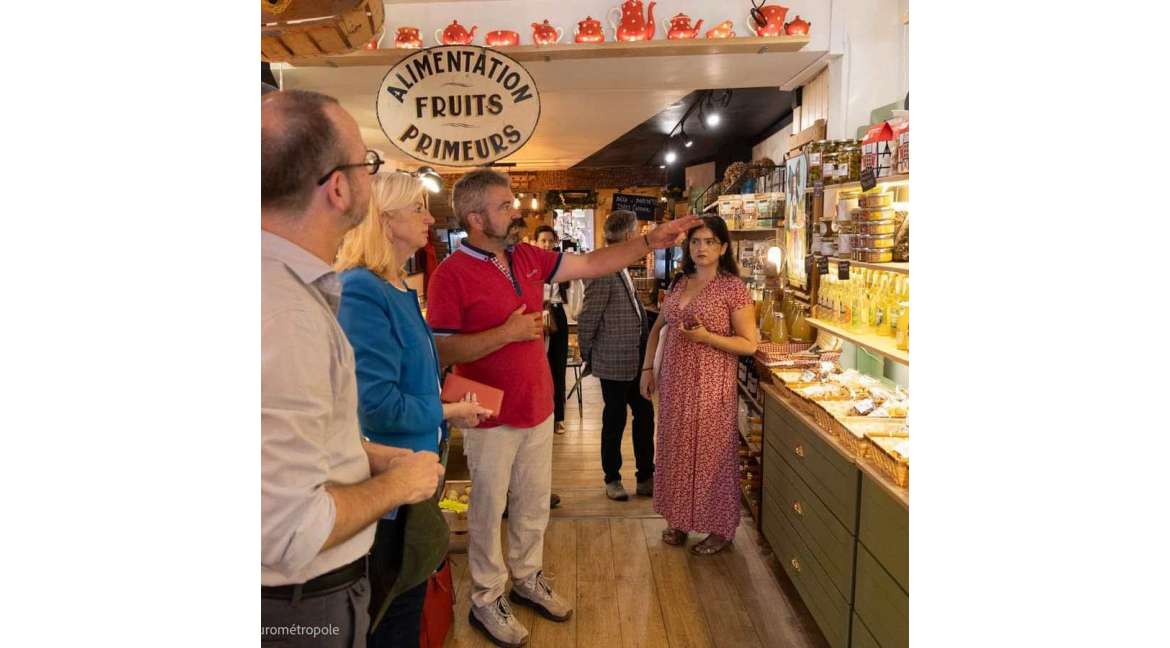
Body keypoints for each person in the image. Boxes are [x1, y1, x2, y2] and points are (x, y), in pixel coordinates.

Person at [426, 169, 698, 647]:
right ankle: (486, 596)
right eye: (505, 205)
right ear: (474, 217)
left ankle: (527, 576)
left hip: (537, 405)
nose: (516, 212)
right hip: (486, 413)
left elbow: (593, 263)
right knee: (489, 509)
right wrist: (505, 335)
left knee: (532, 503)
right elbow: (441, 350)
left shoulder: (525, 256)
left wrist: (649, 241)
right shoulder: (451, 273)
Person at [261, 89, 445, 648]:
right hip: (298, 607)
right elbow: (289, 530)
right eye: (368, 163)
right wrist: (396, 482)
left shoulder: (292, 290)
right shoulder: (285, 313)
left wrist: (368, 455)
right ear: (338, 187)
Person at [335, 173, 492, 647]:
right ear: (384, 220)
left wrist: (447, 408)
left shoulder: (395, 287)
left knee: (410, 598)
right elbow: (378, 405)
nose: (429, 218)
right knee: (394, 613)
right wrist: (444, 412)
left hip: (416, 470)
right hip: (389, 483)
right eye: (417, 209)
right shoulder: (364, 289)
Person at [639, 215, 759, 556]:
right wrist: (648, 367)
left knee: (711, 456)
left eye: (708, 241)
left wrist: (707, 337)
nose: (701, 248)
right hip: (675, 382)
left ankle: (720, 528)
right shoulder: (680, 283)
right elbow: (658, 327)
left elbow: (749, 344)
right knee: (675, 450)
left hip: (711, 385)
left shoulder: (732, 288)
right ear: (687, 247)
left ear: (723, 247)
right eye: (695, 242)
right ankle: (677, 520)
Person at [575, 211, 655, 501]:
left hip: (636, 360)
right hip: (613, 362)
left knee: (645, 417)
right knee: (614, 421)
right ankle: (612, 478)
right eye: (635, 233)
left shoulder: (620, 264)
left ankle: (646, 476)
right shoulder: (603, 269)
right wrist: (589, 356)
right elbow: (588, 318)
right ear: (627, 236)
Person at [533, 225, 569, 435]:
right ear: (536, 242)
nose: (546, 244)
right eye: (543, 240)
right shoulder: (529, 264)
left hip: (556, 314)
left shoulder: (560, 264)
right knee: (536, 367)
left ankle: (559, 417)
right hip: (535, 314)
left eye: (550, 241)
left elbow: (572, 293)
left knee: (558, 366)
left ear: (555, 243)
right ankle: (540, 415)